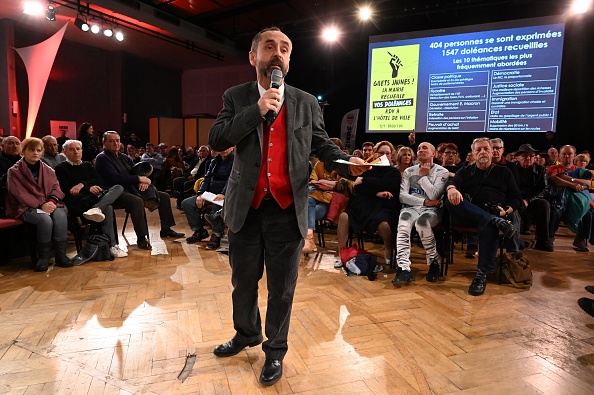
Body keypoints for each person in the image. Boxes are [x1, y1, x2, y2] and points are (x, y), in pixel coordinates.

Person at [207, 27, 367, 386]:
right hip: (245, 208)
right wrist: (255, 110)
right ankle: (246, 332)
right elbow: (217, 139)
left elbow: (322, 145)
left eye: (285, 49)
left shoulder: (306, 102)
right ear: (253, 57)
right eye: (269, 47)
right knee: (243, 282)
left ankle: (275, 350)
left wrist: (345, 162)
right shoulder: (236, 96)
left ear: (289, 61)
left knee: (282, 288)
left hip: (286, 206)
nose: (277, 54)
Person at [444, 137, 521, 296]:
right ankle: (495, 221)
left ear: (493, 152)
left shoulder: (504, 172)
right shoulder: (465, 170)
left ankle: (481, 275)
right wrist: (451, 189)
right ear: (472, 154)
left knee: (490, 226)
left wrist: (505, 212)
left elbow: (516, 199)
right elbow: (453, 182)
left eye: (486, 148)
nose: (482, 152)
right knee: (450, 200)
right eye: (478, 149)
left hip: (494, 213)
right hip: (468, 213)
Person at [95, 131, 184, 250]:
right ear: (104, 143)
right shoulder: (102, 158)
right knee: (137, 201)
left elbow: (136, 171)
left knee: (164, 196)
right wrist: (138, 178)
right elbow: (114, 178)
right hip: (114, 191)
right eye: (111, 141)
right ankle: (142, 237)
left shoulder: (125, 157)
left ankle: (166, 228)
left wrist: (142, 180)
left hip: (132, 187)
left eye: (117, 140)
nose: (115, 143)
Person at [5, 137, 76, 271]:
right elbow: (19, 194)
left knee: (60, 215)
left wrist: (52, 201)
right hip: (26, 206)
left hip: (51, 203)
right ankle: (43, 257)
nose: (35, 153)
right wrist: (41, 205)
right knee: (45, 220)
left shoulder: (48, 169)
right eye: (31, 150)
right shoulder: (14, 172)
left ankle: (61, 255)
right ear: (23, 151)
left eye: (38, 150)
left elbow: (56, 188)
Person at [55, 139, 127, 258]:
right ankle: (111, 245)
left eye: (78, 149)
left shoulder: (87, 165)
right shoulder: (60, 168)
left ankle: (97, 210)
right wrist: (87, 188)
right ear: (65, 152)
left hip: (94, 198)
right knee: (107, 208)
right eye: (71, 149)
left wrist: (83, 185)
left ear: (82, 151)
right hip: (78, 201)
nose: (75, 152)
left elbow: (100, 180)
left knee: (118, 188)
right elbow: (68, 189)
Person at [336, 141, 400, 268]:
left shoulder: (393, 172)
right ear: (375, 155)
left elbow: (388, 184)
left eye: (387, 153)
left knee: (383, 224)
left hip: (384, 205)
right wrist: (376, 193)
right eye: (381, 153)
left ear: (392, 156)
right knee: (344, 217)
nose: (384, 155)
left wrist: (365, 181)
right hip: (364, 203)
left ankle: (388, 250)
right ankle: (341, 255)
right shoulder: (367, 168)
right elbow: (358, 188)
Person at [393, 142, 448, 285]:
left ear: (433, 153)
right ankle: (403, 268)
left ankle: (434, 263)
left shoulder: (442, 171)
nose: (421, 150)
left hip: (432, 211)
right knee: (403, 225)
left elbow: (434, 195)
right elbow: (402, 196)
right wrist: (424, 202)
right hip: (411, 208)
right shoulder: (409, 171)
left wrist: (423, 177)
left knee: (422, 223)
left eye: (425, 148)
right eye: (419, 148)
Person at [183, 147, 234, 249]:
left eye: (227, 146)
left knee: (216, 205)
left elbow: (231, 180)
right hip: (211, 194)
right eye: (221, 146)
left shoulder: (236, 161)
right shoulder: (214, 161)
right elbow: (206, 178)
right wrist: (201, 194)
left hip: (227, 195)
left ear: (232, 148)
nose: (224, 149)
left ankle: (216, 235)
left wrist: (223, 193)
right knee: (186, 203)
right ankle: (199, 231)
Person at [546, 145, 592, 252]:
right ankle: (550, 238)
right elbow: (555, 179)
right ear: (559, 156)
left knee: (589, 213)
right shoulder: (553, 168)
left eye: (569, 154)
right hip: (558, 200)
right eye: (564, 154)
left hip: (576, 202)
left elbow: (588, 183)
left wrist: (570, 179)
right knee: (554, 211)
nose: (567, 156)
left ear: (574, 156)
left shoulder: (579, 170)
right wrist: (573, 185)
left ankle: (579, 239)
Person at [515, 144, 553, 251]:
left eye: (531, 156)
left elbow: (544, 190)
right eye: (525, 156)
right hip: (515, 198)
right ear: (518, 157)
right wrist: (518, 199)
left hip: (532, 199)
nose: (528, 158)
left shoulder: (540, 170)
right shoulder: (512, 168)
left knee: (544, 205)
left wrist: (528, 200)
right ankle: (515, 239)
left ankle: (543, 241)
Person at [173, 145, 213, 209]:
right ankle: (179, 199)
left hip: (198, 178)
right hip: (190, 176)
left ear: (208, 152)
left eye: (204, 151)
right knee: (177, 180)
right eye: (200, 151)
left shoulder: (209, 160)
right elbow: (189, 170)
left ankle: (184, 202)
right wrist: (188, 175)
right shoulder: (195, 159)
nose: (202, 152)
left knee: (187, 184)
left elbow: (204, 173)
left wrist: (194, 176)